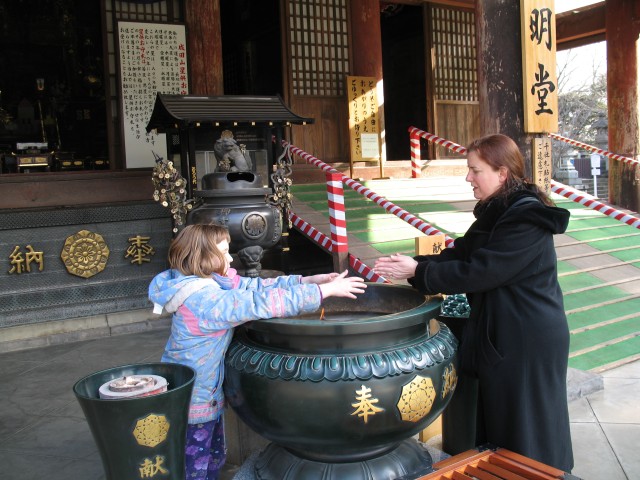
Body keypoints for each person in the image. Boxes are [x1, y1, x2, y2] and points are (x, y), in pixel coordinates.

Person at [374, 133, 574, 472]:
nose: (469, 178)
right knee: (506, 423)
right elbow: (462, 253)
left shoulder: (525, 219)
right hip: (508, 334)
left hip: (527, 338)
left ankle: (541, 473)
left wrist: (420, 272)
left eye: (475, 170)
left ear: (502, 173)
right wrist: (413, 265)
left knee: (527, 426)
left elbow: (481, 271)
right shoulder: (498, 213)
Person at [149, 223, 367, 480]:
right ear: (204, 256)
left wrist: (308, 281)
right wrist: (321, 292)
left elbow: (255, 288)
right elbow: (256, 303)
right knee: (194, 465)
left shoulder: (205, 282)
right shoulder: (204, 300)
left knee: (212, 457)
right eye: (224, 253)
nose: (230, 259)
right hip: (193, 399)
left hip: (202, 392)